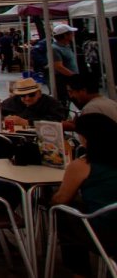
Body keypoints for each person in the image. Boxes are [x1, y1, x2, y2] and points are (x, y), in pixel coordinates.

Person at [49, 113, 117, 278]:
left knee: (63, 211)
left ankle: (80, 273)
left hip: (108, 234)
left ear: (86, 138)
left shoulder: (82, 165)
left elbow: (61, 199)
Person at [0, 77, 67, 127]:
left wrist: (28, 122)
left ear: (39, 93)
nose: (27, 98)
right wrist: (6, 118)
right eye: (23, 95)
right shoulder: (13, 100)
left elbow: (58, 121)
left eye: (31, 95)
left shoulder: (51, 103)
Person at [51, 23, 80, 102]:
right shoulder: (55, 49)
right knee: (66, 100)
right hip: (64, 80)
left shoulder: (66, 46)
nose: (73, 35)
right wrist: (74, 76)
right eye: (71, 33)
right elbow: (58, 67)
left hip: (70, 78)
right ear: (65, 36)